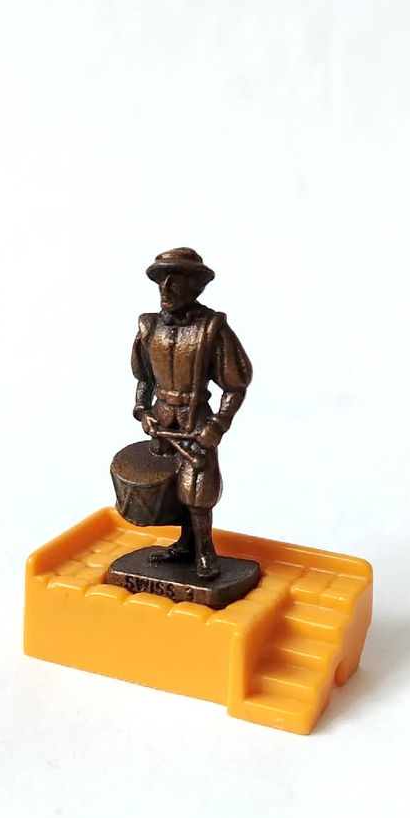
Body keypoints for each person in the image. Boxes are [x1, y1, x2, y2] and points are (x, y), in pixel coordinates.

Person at [131, 248, 253, 579]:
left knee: (198, 489)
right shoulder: (148, 327)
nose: (165, 288)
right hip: (162, 421)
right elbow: (144, 379)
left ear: (194, 287)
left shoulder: (212, 329)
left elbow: (235, 385)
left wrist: (218, 424)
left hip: (195, 419)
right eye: (161, 281)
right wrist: (143, 410)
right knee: (170, 490)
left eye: (174, 281)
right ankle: (185, 544)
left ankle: (204, 550)